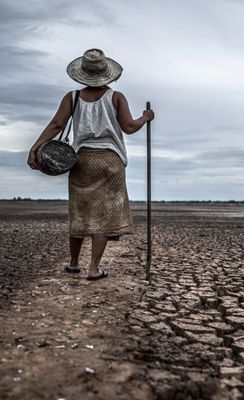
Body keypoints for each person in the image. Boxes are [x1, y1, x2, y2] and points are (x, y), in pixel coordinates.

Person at [27, 48, 154, 281]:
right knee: (104, 217)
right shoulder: (116, 97)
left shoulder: (72, 98)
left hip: (81, 160)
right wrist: (145, 118)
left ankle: (74, 263)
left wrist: (36, 147)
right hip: (110, 161)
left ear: (82, 74)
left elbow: (56, 125)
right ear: (107, 74)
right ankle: (94, 268)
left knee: (80, 211)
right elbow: (129, 127)